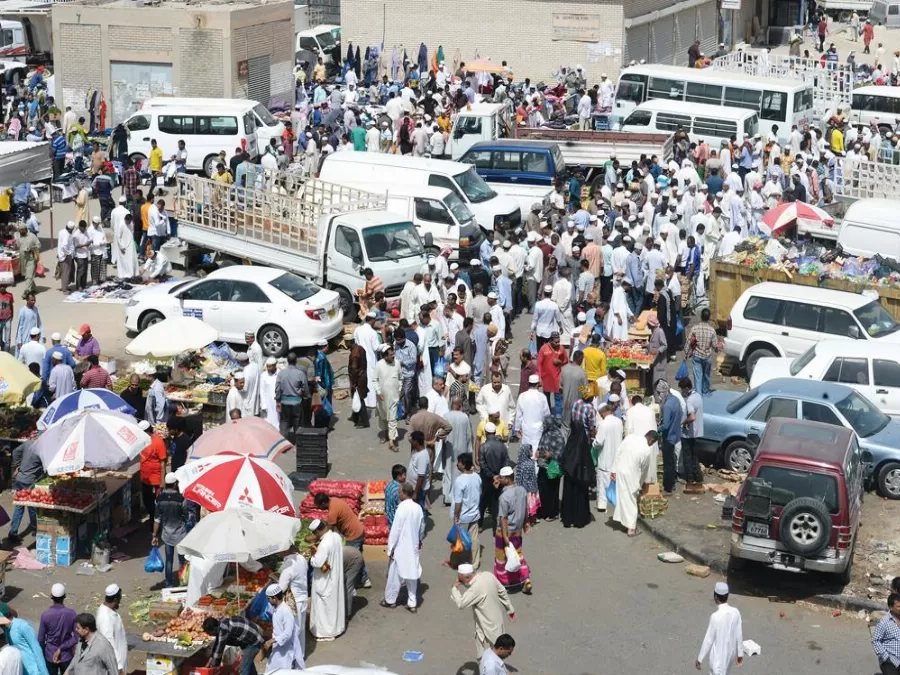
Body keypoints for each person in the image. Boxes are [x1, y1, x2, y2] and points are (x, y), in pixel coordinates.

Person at [451, 564, 516, 658]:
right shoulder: (488, 575)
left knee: (487, 657)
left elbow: (461, 603)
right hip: (497, 623)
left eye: (460, 579)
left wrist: (454, 588)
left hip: (486, 628)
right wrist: (510, 609)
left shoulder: (476, 588)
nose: (460, 581)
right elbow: (502, 590)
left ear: (467, 577)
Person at [381, 483, 425, 612]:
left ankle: (390, 600)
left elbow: (396, 530)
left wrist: (390, 548)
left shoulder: (401, 508)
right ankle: (412, 602)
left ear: (405, 493)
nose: (398, 494)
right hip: (413, 546)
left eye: (400, 492)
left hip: (401, 547)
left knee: (395, 575)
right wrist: (419, 540)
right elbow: (421, 527)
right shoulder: (418, 508)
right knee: (412, 574)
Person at [313, 493, 369, 588]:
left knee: (353, 560)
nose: (319, 509)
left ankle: (358, 582)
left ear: (323, 503)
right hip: (359, 530)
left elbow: (329, 532)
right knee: (358, 556)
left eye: (319, 506)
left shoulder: (332, 512)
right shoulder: (335, 500)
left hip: (353, 535)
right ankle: (364, 579)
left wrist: (317, 539)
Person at [560, 385, 596, 528]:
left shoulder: (576, 404)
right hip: (583, 442)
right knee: (580, 490)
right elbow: (591, 428)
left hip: (573, 438)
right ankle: (580, 517)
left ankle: (568, 517)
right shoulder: (591, 409)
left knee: (569, 490)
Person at [612, 431, 659, 537]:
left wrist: (614, 470)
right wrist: (641, 483)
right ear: (651, 440)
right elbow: (644, 470)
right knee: (632, 501)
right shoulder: (646, 450)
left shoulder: (630, 438)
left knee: (623, 498)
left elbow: (618, 452)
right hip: (632, 475)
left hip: (621, 471)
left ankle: (625, 522)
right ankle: (631, 529)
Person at [494, 466, 532, 593]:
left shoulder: (504, 497)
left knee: (502, 558)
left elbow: (503, 518)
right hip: (517, 530)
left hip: (505, 532)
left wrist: (504, 536)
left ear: (507, 479)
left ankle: (503, 583)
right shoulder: (522, 490)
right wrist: (526, 522)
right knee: (517, 555)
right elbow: (525, 508)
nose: (499, 480)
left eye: (501, 478)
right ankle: (525, 578)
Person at [308, 519, 346, 641]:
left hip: (325, 579)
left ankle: (326, 633)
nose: (315, 536)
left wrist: (312, 557)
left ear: (318, 531)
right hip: (334, 576)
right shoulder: (336, 536)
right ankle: (336, 628)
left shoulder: (325, 544)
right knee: (334, 604)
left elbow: (318, 563)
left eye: (315, 533)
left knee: (324, 606)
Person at [696, 582, 744, 675]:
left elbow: (708, 639)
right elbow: (739, 633)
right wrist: (740, 653)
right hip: (730, 655)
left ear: (715, 597)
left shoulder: (715, 616)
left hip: (718, 657)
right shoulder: (736, 612)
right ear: (727, 596)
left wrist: (700, 658)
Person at [152, 473, 188, 588]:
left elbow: (156, 520)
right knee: (182, 560)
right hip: (181, 534)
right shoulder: (181, 498)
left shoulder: (159, 499)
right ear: (175, 484)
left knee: (169, 560)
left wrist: (154, 536)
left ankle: (169, 584)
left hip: (166, 535)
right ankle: (183, 582)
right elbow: (186, 515)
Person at [263, 584, 304, 672]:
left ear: (275, 598)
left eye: (269, 599)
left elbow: (288, 633)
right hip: (278, 647)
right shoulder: (277, 608)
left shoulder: (285, 611)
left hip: (286, 649)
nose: (268, 601)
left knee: (283, 670)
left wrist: (272, 640)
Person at [38, 584, 76, 675]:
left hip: (50, 655)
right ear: (65, 596)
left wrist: (43, 653)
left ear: (51, 596)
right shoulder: (71, 614)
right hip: (66, 655)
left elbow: (41, 640)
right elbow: (76, 637)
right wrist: (63, 647)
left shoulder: (45, 615)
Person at [277, 545, 308, 653]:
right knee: (300, 630)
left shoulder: (288, 567)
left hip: (293, 602)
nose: (278, 553)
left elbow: (281, 588)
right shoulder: (301, 558)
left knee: (293, 630)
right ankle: (300, 655)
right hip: (302, 598)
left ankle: (293, 659)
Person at [9, 440, 42, 542]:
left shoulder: (28, 443)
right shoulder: (42, 449)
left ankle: (13, 532)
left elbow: (15, 452)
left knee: (19, 506)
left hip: (20, 479)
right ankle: (35, 529)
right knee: (32, 507)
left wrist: (16, 465)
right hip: (29, 481)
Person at [594, 403, 623, 512]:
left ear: (602, 412)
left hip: (605, 457)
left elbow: (599, 442)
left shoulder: (603, 424)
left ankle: (602, 505)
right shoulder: (619, 422)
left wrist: (593, 443)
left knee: (602, 482)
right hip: (616, 457)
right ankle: (616, 502)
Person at [275, 352, 310, 442]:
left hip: (284, 402)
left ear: (287, 361)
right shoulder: (300, 374)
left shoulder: (281, 373)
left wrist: (278, 401)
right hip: (297, 403)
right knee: (297, 424)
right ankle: (298, 444)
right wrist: (306, 397)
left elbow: (277, 389)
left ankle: (283, 444)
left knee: (284, 423)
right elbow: (305, 388)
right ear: (296, 361)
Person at [1, 606, 44, 675]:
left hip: (32, 671)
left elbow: (37, 650)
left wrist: (44, 672)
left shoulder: (22, 625)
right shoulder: (5, 630)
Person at [373, 343, 401, 451]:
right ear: (385, 356)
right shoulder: (379, 365)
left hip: (394, 397)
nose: (393, 356)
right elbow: (374, 380)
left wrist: (399, 390)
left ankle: (392, 441)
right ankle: (385, 434)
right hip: (382, 398)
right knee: (383, 417)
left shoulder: (397, 364)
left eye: (393, 354)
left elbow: (400, 378)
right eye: (390, 355)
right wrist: (379, 392)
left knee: (393, 419)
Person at [657, 380, 682, 496]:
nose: (658, 396)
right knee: (672, 461)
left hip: (668, 438)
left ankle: (668, 487)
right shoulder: (675, 400)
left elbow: (665, 425)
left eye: (659, 393)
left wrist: (657, 429)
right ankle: (672, 485)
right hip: (676, 435)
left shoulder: (667, 406)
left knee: (668, 464)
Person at [138, 420, 166, 524]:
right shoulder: (141, 440)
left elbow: (163, 462)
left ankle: (155, 522)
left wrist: (162, 481)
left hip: (155, 479)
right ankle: (152, 517)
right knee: (146, 501)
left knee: (155, 503)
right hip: (145, 478)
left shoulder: (158, 442)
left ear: (148, 431)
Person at [685, 308, 718, 395]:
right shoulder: (712, 330)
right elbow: (715, 346)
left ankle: (698, 395)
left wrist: (686, 353)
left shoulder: (695, 328)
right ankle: (705, 392)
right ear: (709, 317)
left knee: (698, 377)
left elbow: (688, 341)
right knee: (706, 375)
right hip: (707, 357)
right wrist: (719, 347)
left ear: (701, 317)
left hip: (697, 356)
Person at [94, 586, 125, 675]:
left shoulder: (109, 610)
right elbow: (109, 644)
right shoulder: (105, 618)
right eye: (120, 598)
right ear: (115, 599)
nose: (120, 601)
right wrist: (119, 668)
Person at [873, 593, 900, 675]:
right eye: (899, 606)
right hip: (890, 660)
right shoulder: (884, 622)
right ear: (891, 607)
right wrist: (886, 657)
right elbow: (875, 640)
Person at [15, 223, 39, 299]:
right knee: (28, 275)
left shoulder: (32, 236)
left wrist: (32, 248)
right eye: (20, 230)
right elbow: (18, 246)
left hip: (31, 259)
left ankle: (27, 291)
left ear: (26, 229)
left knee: (28, 276)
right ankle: (33, 288)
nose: (21, 231)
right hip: (23, 260)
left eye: (22, 230)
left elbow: (39, 245)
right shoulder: (19, 238)